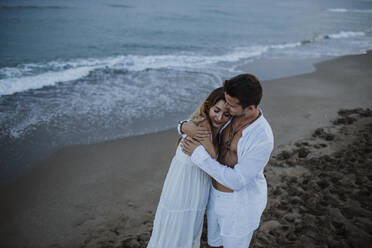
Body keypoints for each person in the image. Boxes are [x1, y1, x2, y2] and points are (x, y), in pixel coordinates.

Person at [182, 74, 274, 248]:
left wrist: (198, 156)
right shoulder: (228, 116)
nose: (227, 107)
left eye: (232, 105)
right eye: (227, 101)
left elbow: (238, 181)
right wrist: (183, 126)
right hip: (213, 196)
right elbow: (199, 123)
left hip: (239, 206)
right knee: (215, 243)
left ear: (251, 107)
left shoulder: (262, 138)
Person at [147, 87, 231, 248]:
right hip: (184, 190)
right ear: (208, 107)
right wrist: (184, 126)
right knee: (177, 232)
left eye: (226, 114)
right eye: (216, 110)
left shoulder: (214, 128)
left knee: (182, 232)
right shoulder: (201, 125)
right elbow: (212, 158)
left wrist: (182, 125)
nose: (220, 117)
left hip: (192, 188)